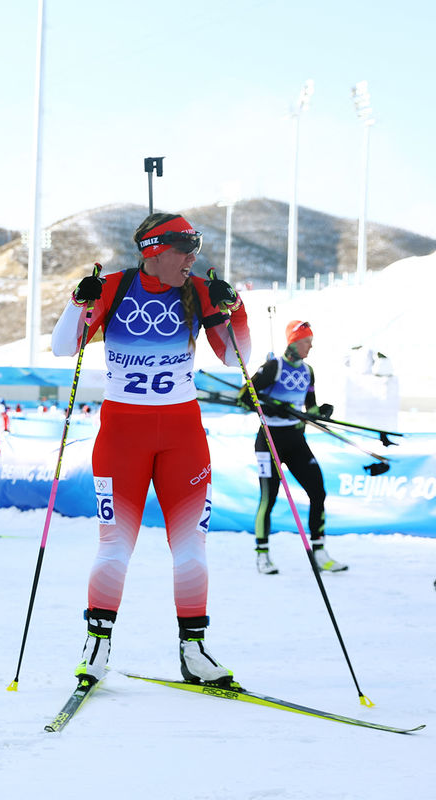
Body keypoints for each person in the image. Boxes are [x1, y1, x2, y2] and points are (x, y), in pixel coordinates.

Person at [50, 212, 251, 688]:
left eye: (195, 250)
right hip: (122, 438)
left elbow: (238, 357)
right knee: (115, 546)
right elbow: (63, 347)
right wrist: (78, 302)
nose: (193, 259)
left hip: (183, 437)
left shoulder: (199, 290)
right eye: (185, 250)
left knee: (190, 549)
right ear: (154, 251)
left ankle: (194, 651)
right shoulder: (115, 288)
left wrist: (236, 308)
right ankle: (95, 649)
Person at [240, 320, 345, 574]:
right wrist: (270, 406)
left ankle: (319, 552)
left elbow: (310, 408)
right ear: (294, 342)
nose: (310, 346)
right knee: (269, 498)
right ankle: (262, 555)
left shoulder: (308, 371)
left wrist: (323, 413)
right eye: (306, 341)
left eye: (310, 341)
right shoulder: (273, 367)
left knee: (318, 492)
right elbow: (244, 398)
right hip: (269, 440)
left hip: (297, 441)